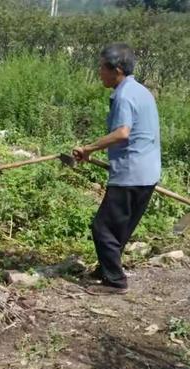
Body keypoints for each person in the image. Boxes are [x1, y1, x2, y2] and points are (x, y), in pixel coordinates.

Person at [73, 43, 161, 295]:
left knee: (103, 228)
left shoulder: (123, 95)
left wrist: (89, 148)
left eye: (102, 67)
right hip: (148, 172)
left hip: (131, 174)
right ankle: (106, 269)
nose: (99, 72)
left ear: (117, 70)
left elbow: (123, 133)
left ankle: (115, 282)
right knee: (120, 227)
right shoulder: (141, 91)